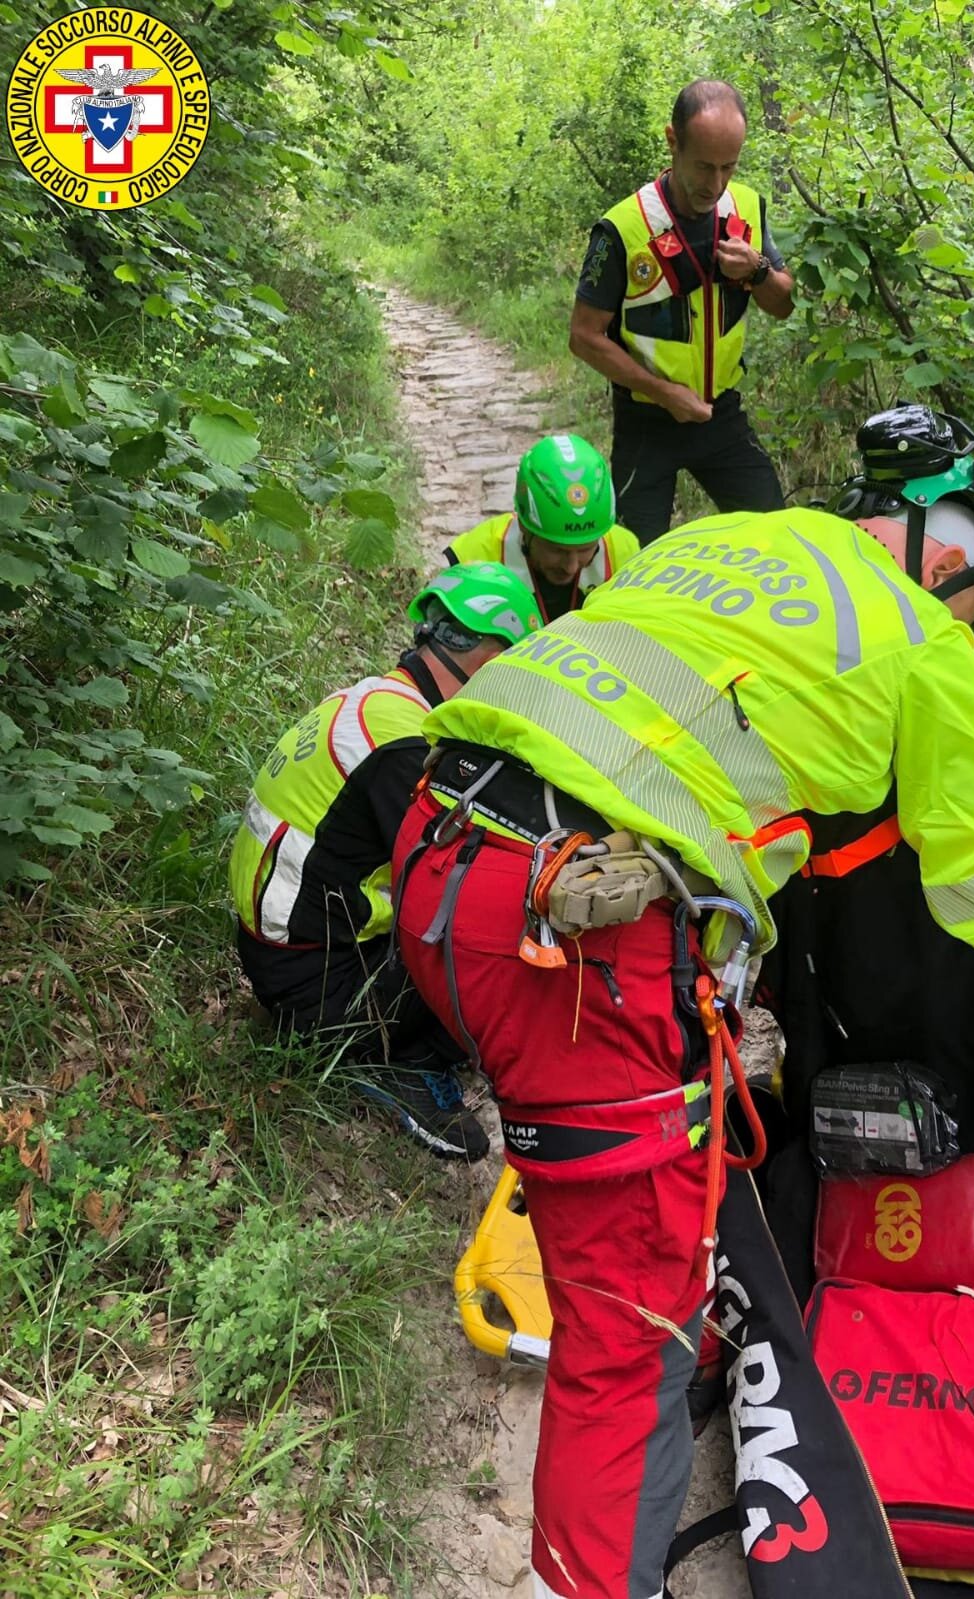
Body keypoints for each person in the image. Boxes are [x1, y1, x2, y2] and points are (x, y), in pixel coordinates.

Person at [389, 406, 974, 1599]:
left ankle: (608, 1233)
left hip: (443, 855)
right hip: (574, 933)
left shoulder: (733, 537)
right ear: (956, 559)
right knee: (626, 1339)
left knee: (630, 1208)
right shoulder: (927, 647)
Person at [229, 562, 539, 1161]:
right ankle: (393, 1055)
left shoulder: (380, 702)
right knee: (489, 916)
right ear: (485, 660)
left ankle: (393, 1034)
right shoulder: (404, 748)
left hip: (287, 952)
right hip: (319, 989)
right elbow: (459, 877)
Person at [570, 78, 795, 546]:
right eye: (704, 167)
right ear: (673, 141)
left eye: (728, 168)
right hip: (647, 421)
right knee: (633, 562)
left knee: (778, 541)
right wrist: (663, 392)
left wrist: (757, 271)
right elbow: (584, 336)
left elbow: (783, 304)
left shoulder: (747, 208)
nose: (715, 185)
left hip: (722, 415)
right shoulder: (623, 229)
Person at [445, 433, 639, 623]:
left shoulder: (625, 554)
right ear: (524, 527)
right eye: (556, 550)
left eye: (585, 549)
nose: (570, 566)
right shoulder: (477, 558)